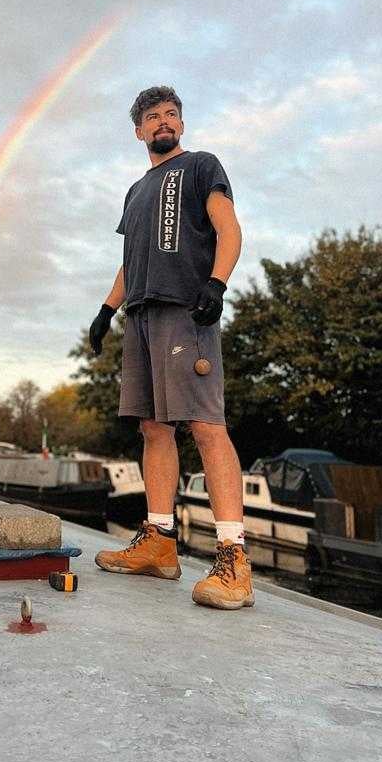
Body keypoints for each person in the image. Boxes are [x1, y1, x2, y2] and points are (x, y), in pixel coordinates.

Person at [91, 86, 253, 610]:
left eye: (171, 115)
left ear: (180, 125)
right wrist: (105, 310)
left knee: (205, 424)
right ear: (138, 131)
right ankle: (159, 543)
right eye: (152, 117)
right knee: (152, 427)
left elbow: (228, 227)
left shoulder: (202, 166)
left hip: (186, 306)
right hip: (139, 312)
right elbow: (129, 258)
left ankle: (234, 559)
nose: (163, 122)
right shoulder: (135, 192)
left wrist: (218, 283)